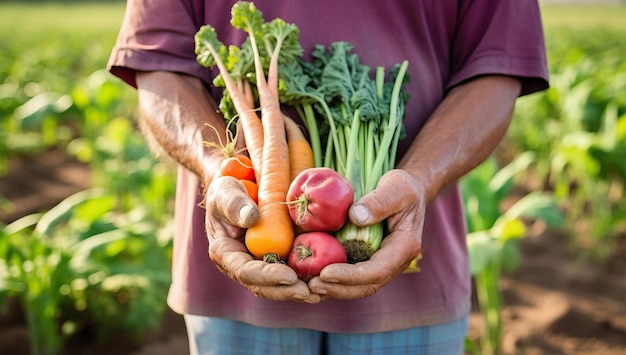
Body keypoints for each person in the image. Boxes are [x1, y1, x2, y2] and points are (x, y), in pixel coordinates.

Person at [107, 1, 549, 353]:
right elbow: (158, 65)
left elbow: (496, 67)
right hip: (235, 277)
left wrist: (418, 179)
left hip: (413, 279)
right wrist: (216, 169)